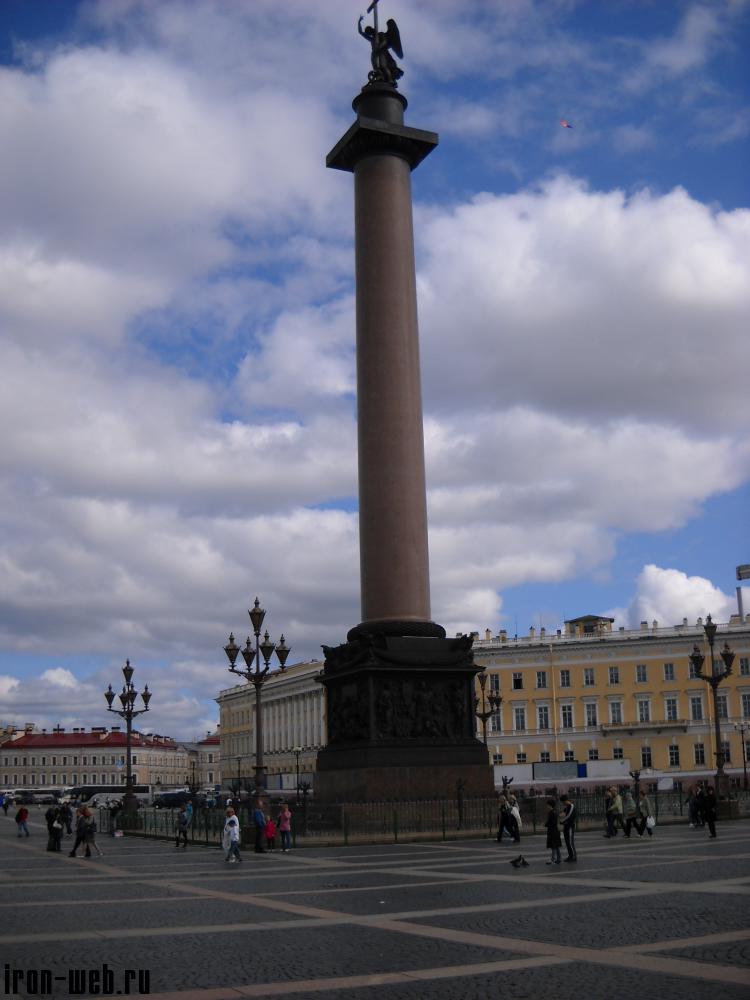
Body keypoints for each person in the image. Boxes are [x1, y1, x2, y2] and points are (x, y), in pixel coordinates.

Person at [560, 793, 577, 861]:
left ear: (565, 801)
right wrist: (560, 816)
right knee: (567, 842)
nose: (562, 804)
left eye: (563, 802)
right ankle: (570, 856)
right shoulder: (567, 807)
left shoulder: (571, 806)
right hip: (566, 826)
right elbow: (563, 813)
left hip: (570, 827)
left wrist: (562, 821)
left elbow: (569, 816)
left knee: (570, 842)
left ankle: (574, 857)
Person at [545, 797, 561, 865]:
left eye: (547, 805)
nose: (546, 806)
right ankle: (558, 859)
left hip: (552, 831)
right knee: (556, 846)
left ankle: (553, 859)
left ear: (550, 805)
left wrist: (546, 824)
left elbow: (552, 822)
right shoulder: (554, 812)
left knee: (553, 846)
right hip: (555, 830)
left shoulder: (551, 813)